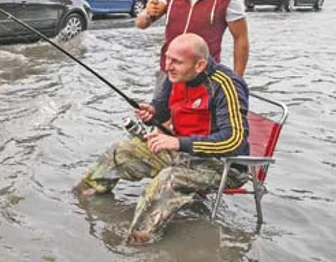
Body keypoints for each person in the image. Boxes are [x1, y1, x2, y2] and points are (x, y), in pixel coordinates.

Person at [73, 33, 250, 245]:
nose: (168, 66)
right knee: (121, 151)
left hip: (223, 166)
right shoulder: (173, 75)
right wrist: (153, 112)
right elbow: (162, 108)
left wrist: (178, 143)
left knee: (167, 180)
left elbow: (234, 141)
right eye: (167, 58)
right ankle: (80, 203)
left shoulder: (226, 84)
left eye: (177, 61)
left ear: (200, 65)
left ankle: (139, 243)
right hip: (182, 151)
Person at [136, 0, 249, 96]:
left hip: (205, 78)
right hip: (168, 74)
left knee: (198, 121)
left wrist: (237, 81)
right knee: (158, 118)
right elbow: (141, 24)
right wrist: (148, 12)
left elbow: (241, 40)